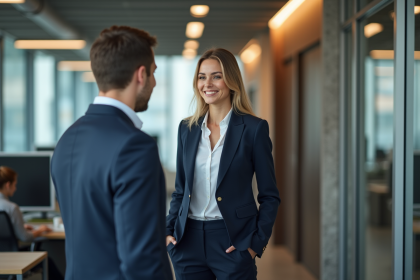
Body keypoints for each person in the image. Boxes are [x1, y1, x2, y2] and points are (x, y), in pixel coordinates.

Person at [51, 26, 172, 280]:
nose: (154, 82)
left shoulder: (66, 140)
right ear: (141, 74)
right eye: (153, 73)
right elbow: (142, 259)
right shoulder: (135, 146)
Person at [166, 48, 281, 280]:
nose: (207, 83)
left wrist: (254, 244)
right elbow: (181, 189)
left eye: (216, 76)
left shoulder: (254, 129)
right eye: (202, 76)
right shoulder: (186, 129)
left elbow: (270, 195)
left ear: (231, 81)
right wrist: (169, 232)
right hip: (188, 241)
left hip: (233, 240)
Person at [0, 166, 51, 242]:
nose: (15, 188)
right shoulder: (12, 208)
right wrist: (40, 230)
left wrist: (17, 227)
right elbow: (25, 237)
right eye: (15, 184)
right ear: (8, 185)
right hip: (13, 253)